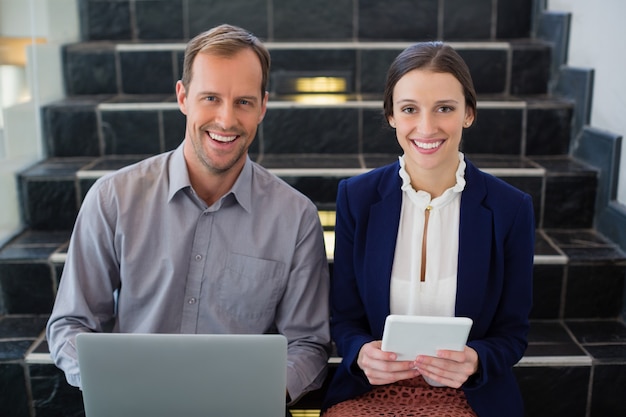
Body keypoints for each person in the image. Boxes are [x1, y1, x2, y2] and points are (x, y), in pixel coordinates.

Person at [46, 24, 331, 408]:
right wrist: (110, 381)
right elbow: (70, 325)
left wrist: (259, 394)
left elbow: (308, 344)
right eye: (210, 98)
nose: (226, 120)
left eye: (243, 102)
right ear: (183, 97)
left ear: (263, 106)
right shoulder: (113, 198)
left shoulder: (295, 217)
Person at [322, 42, 534, 417]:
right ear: (391, 116)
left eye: (445, 108)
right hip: (370, 390)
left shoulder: (510, 209)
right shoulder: (356, 197)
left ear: (468, 113)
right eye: (409, 110)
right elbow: (345, 319)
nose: (426, 127)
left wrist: (476, 360)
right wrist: (360, 353)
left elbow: (512, 334)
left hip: (469, 393)